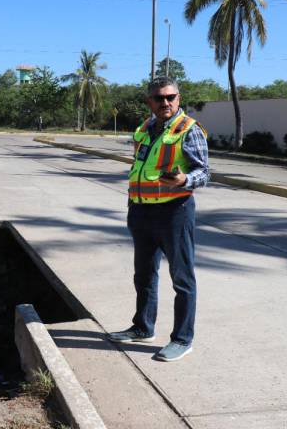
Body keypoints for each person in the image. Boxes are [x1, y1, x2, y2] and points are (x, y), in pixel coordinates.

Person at [107, 77, 210, 362]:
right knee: (144, 275)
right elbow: (140, 167)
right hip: (141, 211)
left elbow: (204, 173)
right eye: (159, 98)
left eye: (171, 97)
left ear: (178, 98)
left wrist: (184, 179)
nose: (165, 103)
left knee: (182, 278)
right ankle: (142, 327)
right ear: (149, 101)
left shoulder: (188, 129)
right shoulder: (144, 128)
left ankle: (182, 339)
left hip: (174, 212)